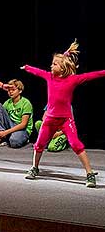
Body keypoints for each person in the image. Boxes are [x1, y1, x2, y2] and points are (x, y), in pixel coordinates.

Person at [21, 41, 104, 188]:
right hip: (50, 120)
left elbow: (90, 75)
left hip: (65, 120)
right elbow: (37, 71)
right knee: (39, 144)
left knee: (76, 144)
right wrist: (27, 67)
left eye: (55, 64)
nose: (51, 66)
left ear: (63, 67)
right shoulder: (49, 77)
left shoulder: (72, 80)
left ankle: (90, 174)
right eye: (52, 63)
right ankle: (34, 167)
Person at [0, 79, 33, 148]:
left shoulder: (26, 103)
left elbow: (23, 124)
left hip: (22, 129)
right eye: (9, 90)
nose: (10, 92)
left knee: (14, 142)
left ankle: (22, 139)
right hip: (10, 125)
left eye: (13, 90)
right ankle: (3, 138)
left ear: (20, 91)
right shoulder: (7, 103)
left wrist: (5, 132)